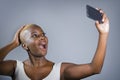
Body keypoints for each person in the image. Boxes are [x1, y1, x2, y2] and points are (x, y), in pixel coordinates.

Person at [0, 9, 109, 80]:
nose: (42, 37)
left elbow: (94, 68)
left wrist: (103, 34)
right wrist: (14, 43)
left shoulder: (60, 70)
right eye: (35, 35)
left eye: (43, 34)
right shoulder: (15, 67)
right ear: (24, 46)